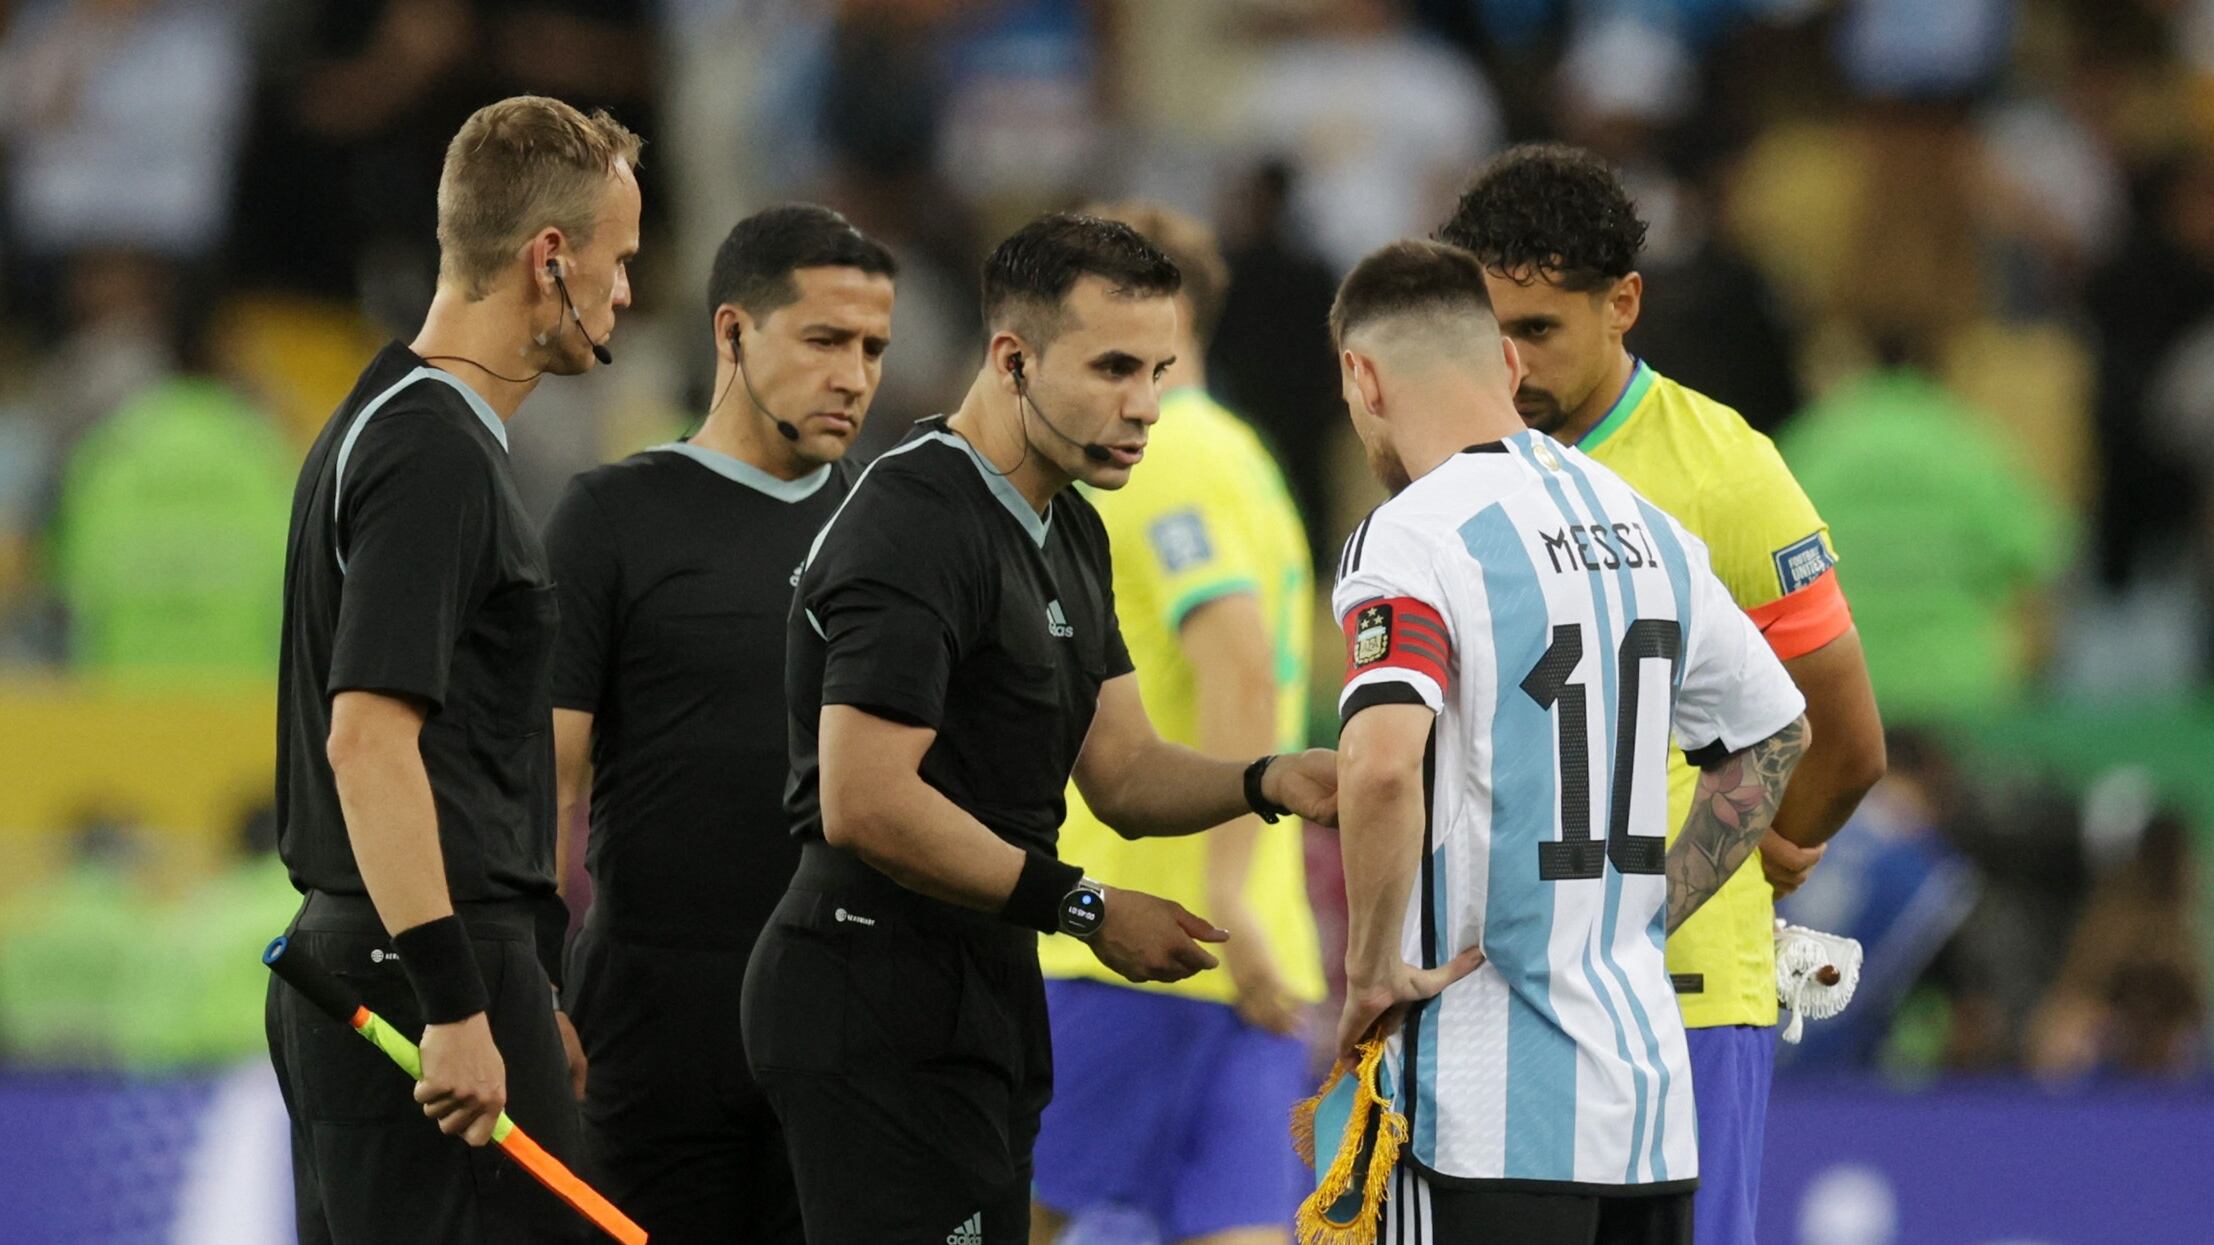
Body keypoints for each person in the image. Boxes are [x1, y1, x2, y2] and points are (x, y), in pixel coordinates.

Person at [741, 213, 1340, 1245]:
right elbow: (867, 800)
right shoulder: (913, 522)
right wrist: (1087, 905)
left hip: (991, 988)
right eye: (1113, 368)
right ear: (1012, 359)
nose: (1146, 406)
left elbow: (1125, 770)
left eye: (1159, 369)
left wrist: (1270, 780)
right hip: (870, 994)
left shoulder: (1072, 528)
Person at [1439, 144, 1887, 1245]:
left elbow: (1846, 734)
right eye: (1484, 333)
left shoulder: (1722, 473)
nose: (1509, 365)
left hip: (1680, 991)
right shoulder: (1447, 458)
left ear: (1623, 303)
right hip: (1495, 994)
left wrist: (1780, 846)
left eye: (1538, 330)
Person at [1324, 239, 1811, 1243]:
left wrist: (1370, 973)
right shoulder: (1644, 526)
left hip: (1482, 1110)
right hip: (1645, 1109)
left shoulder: (1410, 537)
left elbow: (1378, 765)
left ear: (1361, 378)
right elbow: (1774, 735)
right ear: (1506, 364)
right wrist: (1647, 911)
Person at [266, 95, 639, 1244]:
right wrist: (459, 1002)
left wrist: (522, 986)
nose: (627, 292)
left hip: (403, 961)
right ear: (550, 259)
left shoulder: (390, 423)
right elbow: (368, 739)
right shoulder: (432, 455)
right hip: (418, 970)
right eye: (619, 261)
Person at [544, 203, 896, 1243]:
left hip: (849, 1020)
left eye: (875, 348)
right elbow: (545, 772)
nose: (857, 377)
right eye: (826, 341)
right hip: (652, 1026)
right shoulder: (614, 516)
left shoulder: (900, 529)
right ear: (733, 333)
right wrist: (524, 976)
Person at [1031, 202, 1323, 1245]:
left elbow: (1239, 659)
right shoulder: (1243, 454)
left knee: (1001, 1213)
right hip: (1246, 957)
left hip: (1130, 935)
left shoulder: (1166, 457)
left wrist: (1231, 888)